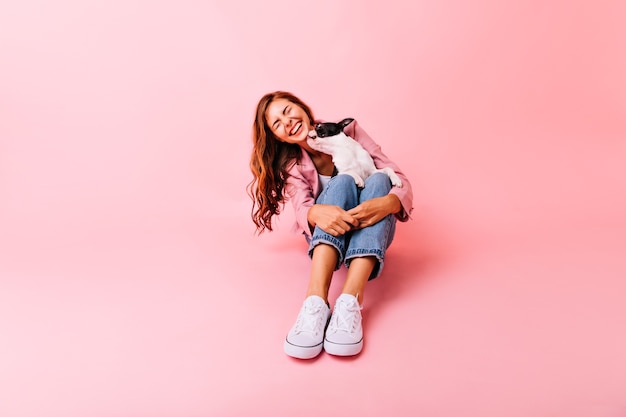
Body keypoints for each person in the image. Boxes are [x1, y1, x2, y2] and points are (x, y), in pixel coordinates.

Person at [248, 91, 413, 359]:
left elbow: (398, 178)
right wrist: (316, 213)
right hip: (329, 232)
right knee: (344, 181)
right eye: (277, 123)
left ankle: (350, 302)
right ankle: (315, 303)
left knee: (381, 180)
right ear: (278, 137)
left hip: (371, 226)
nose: (287, 122)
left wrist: (388, 204)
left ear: (303, 107)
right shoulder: (290, 162)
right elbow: (302, 208)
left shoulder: (348, 131)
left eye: (288, 111)